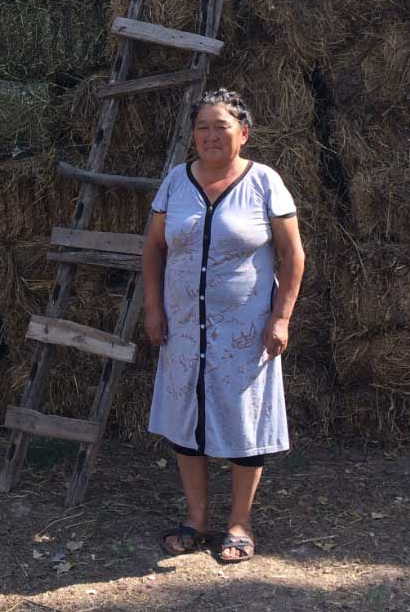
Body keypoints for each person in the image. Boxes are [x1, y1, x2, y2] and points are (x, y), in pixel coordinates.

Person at [141, 89, 306, 563]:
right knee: (185, 421)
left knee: (243, 421)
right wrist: (153, 309)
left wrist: (281, 317)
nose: (211, 136)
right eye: (202, 128)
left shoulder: (264, 182)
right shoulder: (176, 181)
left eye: (222, 127)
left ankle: (239, 521)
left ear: (244, 133)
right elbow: (153, 247)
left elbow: (293, 255)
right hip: (184, 328)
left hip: (245, 332)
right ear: (193, 136)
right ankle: (195, 519)